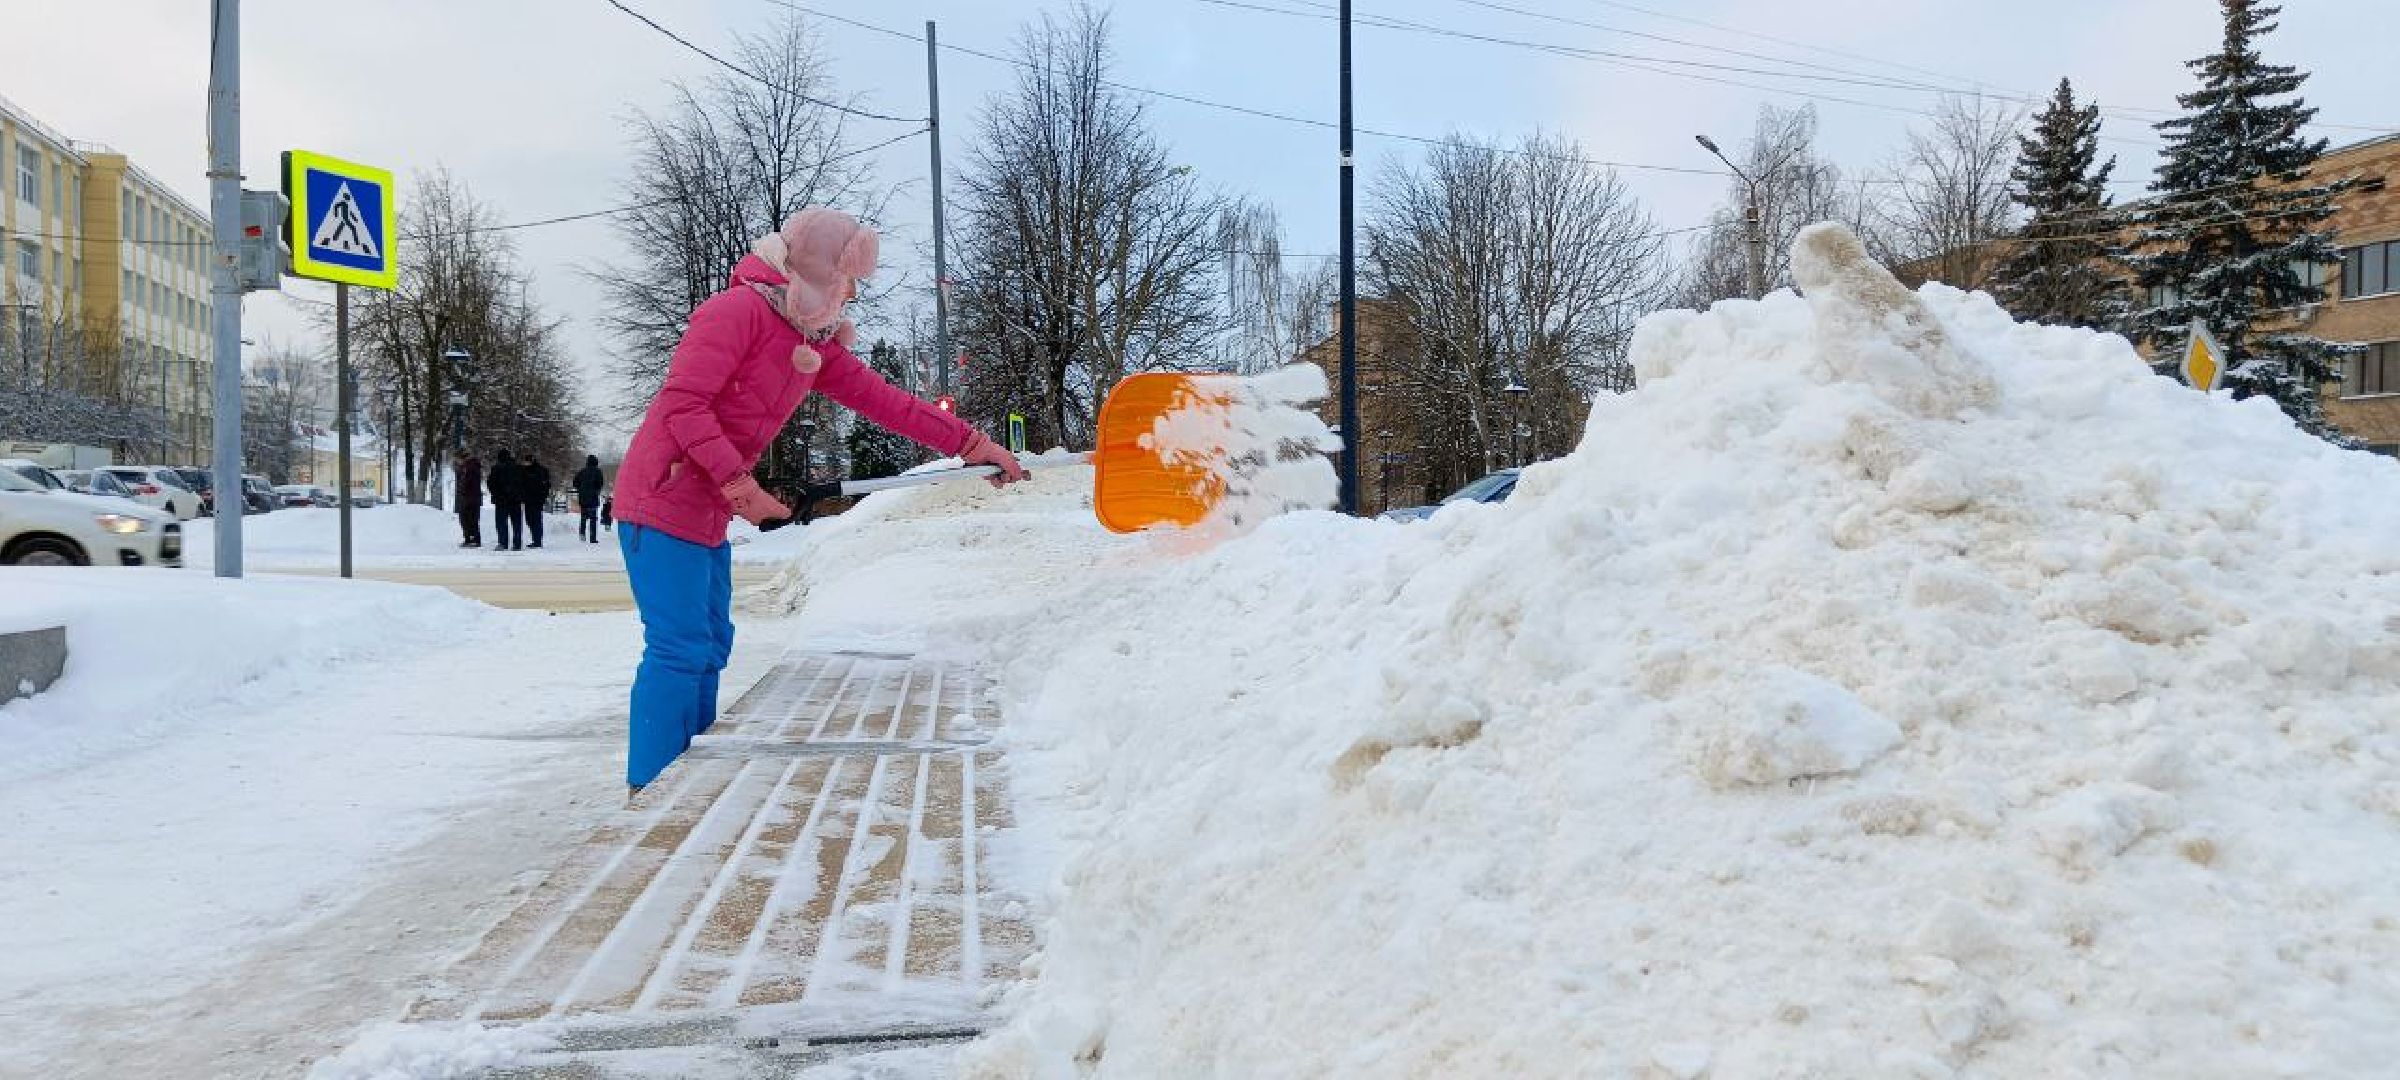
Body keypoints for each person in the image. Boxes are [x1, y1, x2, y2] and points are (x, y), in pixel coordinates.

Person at [614, 207, 1026, 795]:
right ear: (815, 268)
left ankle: (681, 786)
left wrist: (972, 445)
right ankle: (649, 791)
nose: (851, 292)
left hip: (703, 509)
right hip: (660, 500)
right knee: (679, 649)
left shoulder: (806, 341)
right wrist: (741, 487)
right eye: (846, 276)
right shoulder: (736, 313)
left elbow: (887, 402)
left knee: (708, 646)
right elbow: (684, 406)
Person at [487, 448, 524, 552]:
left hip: (501, 501)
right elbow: (523, 483)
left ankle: (503, 543)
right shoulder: (518, 468)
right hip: (515, 500)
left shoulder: (496, 468)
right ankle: (517, 544)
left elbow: (491, 484)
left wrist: (496, 494)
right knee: (516, 523)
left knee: (501, 522)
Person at [452, 449, 484, 548]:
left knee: (470, 519)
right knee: (467, 519)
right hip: (470, 497)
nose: (456, 461)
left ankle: (473, 539)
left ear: (462, 458)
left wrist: (463, 491)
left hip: (470, 498)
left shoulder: (469, 468)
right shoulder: (468, 467)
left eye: (457, 459)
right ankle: (470, 538)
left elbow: (466, 483)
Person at [574, 455, 606, 543]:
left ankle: (582, 533)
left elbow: (575, 483)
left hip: (583, 498)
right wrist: (596, 489)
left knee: (583, 517)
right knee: (593, 518)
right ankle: (593, 538)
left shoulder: (582, 471)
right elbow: (600, 483)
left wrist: (580, 489)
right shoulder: (598, 471)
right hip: (593, 498)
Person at [525, 458, 554, 549]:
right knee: (534, 520)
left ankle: (537, 541)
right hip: (536, 499)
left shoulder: (529, 471)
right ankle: (536, 540)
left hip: (532, 499)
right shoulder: (542, 470)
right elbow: (547, 484)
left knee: (533, 520)